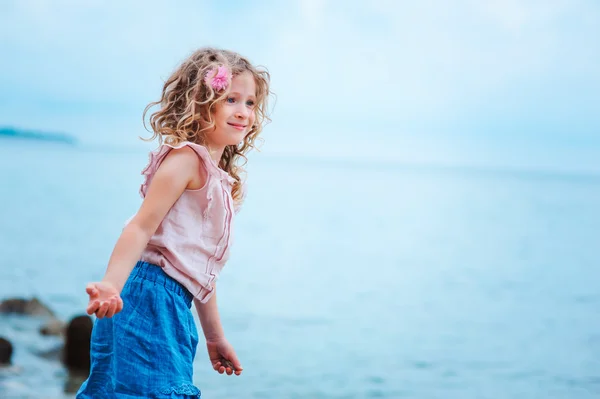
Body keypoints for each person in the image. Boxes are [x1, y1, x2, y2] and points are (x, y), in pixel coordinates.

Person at [76, 47, 271, 398]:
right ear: (200, 102)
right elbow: (139, 227)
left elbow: (198, 270)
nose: (243, 112)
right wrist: (111, 284)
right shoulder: (186, 161)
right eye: (231, 100)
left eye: (250, 103)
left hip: (170, 305)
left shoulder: (216, 177)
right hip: (146, 300)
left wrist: (214, 336)